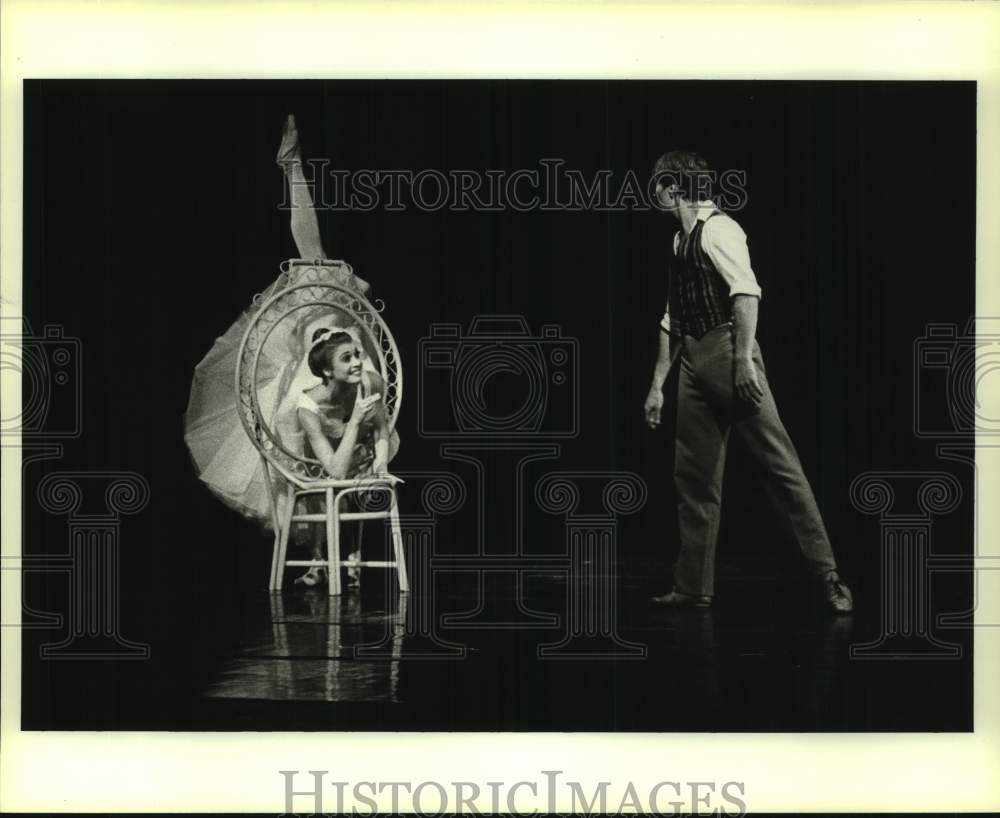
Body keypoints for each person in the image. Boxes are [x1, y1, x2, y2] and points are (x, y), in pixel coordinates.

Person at [183, 114, 396, 587]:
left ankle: (343, 552)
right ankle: (320, 554)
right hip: (308, 385)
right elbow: (301, 455)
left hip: (333, 372)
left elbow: (372, 412)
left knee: (347, 454)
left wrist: (374, 448)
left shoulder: (350, 344)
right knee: (298, 467)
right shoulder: (312, 342)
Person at [643, 150, 852, 613]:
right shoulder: (679, 240)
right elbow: (672, 318)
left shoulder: (720, 229)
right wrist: (658, 385)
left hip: (727, 349)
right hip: (694, 359)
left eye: (656, 185)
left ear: (672, 187)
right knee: (693, 477)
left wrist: (742, 362)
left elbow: (746, 293)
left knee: (779, 464)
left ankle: (827, 577)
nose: (653, 194)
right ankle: (692, 586)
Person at [293, 327, 397, 586]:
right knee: (327, 497)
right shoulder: (308, 407)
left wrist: (381, 466)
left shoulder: (370, 383)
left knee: (362, 482)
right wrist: (355, 421)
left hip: (359, 454)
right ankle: (319, 560)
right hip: (323, 463)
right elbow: (335, 471)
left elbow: (381, 427)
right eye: (346, 358)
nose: (357, 363)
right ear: (327, 371)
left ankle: (353, 558)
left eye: (356, 355)